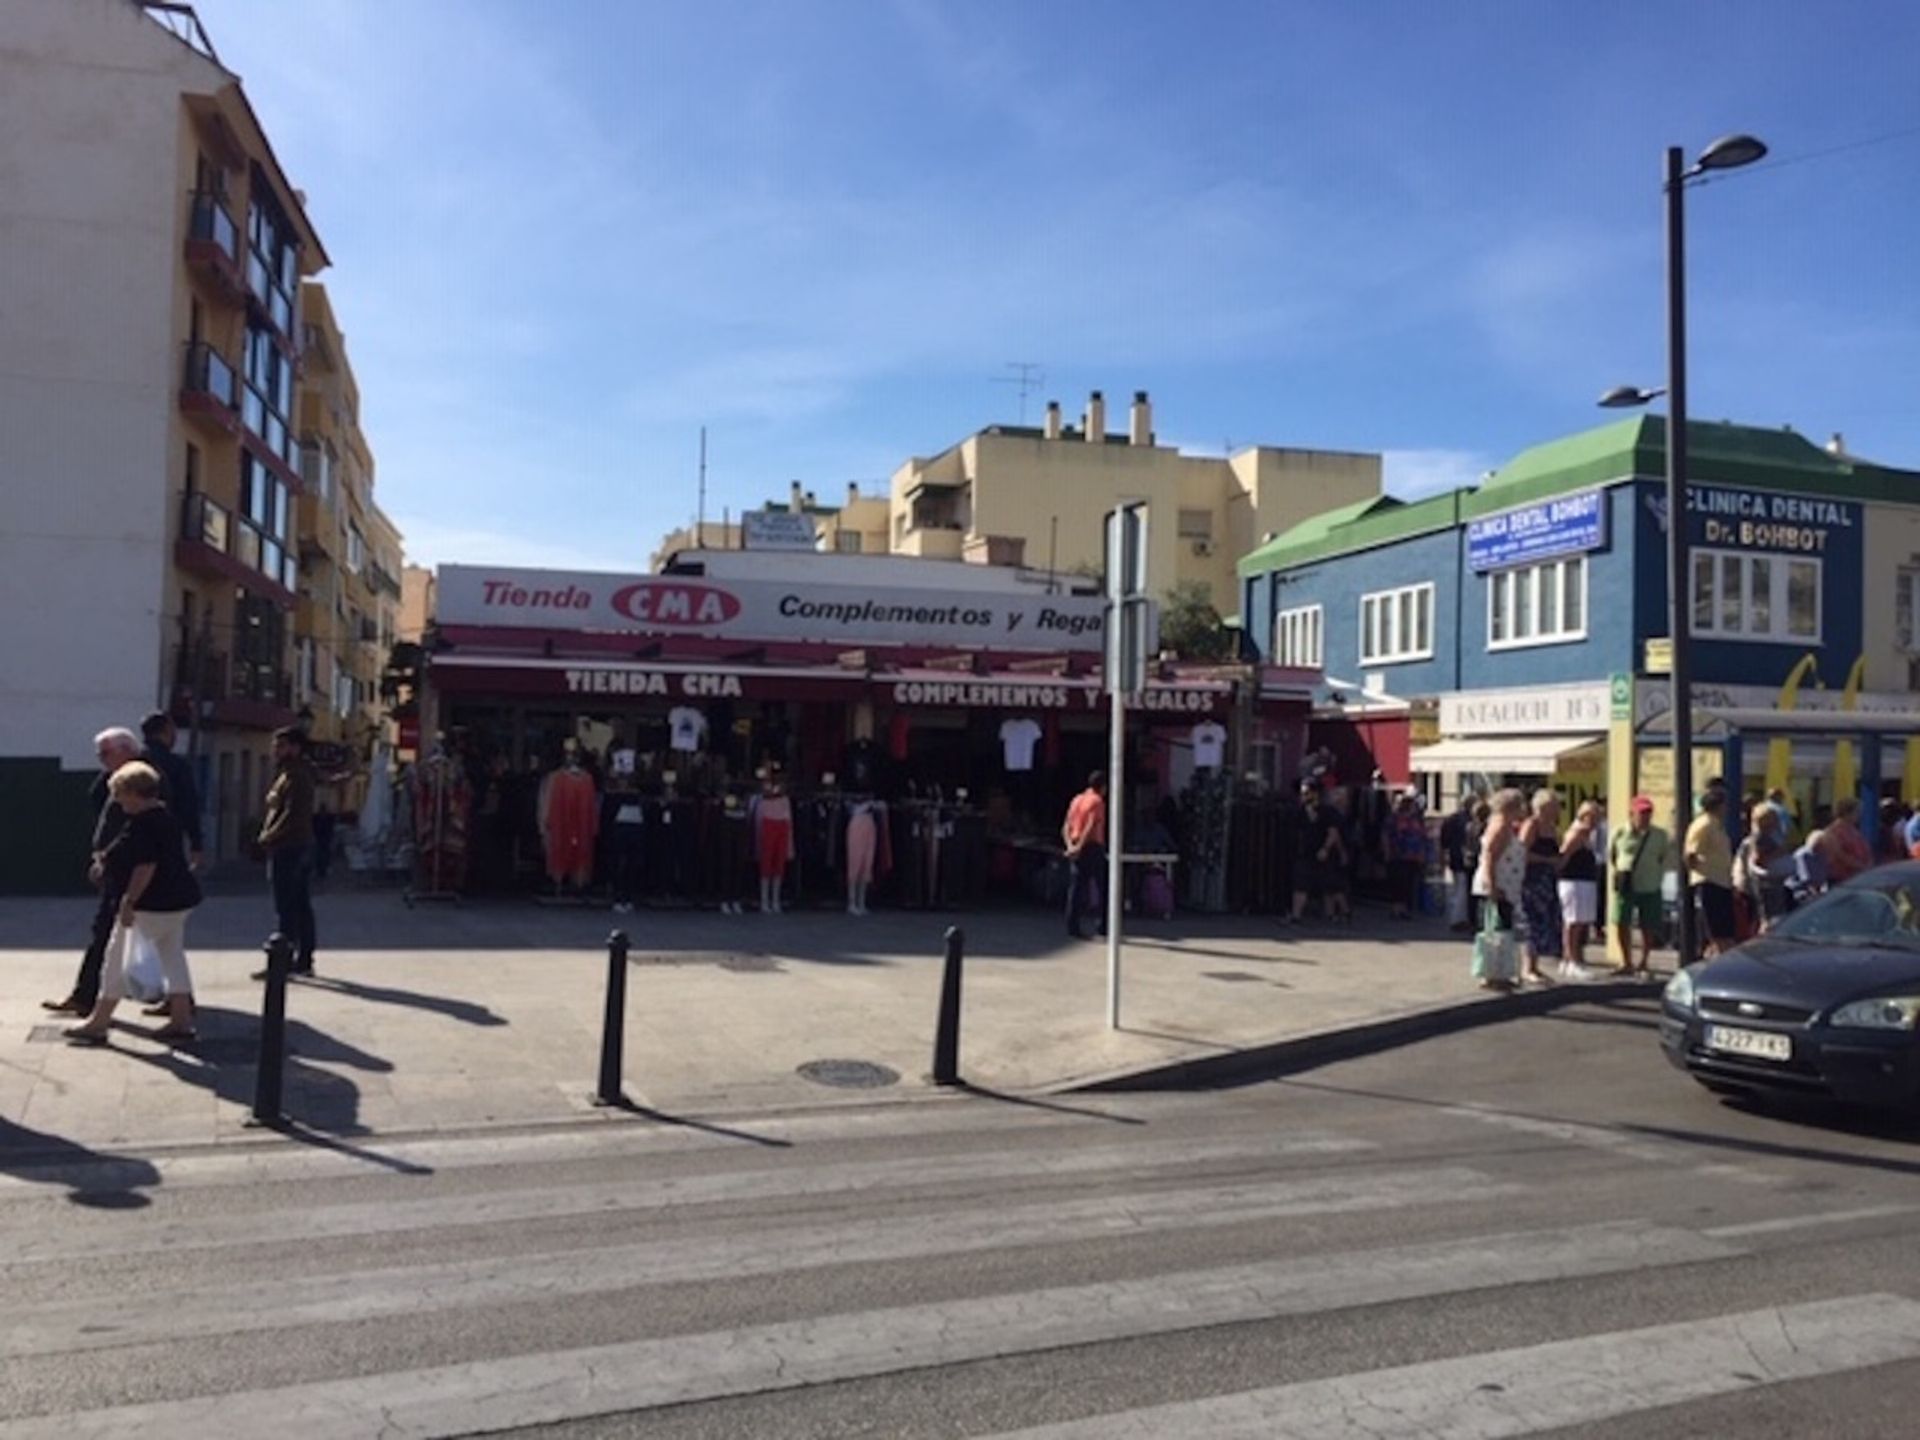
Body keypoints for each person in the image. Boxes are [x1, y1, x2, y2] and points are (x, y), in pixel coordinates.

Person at [64, 762, 202, 1045]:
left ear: (133, 792)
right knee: (172, 956)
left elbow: (145, 866)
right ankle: (181, 1019)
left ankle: (99, 1021)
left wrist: (129, 901)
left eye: (119, 794)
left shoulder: (143, 823)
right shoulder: (164, 815)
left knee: (116, 959)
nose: (117, 800)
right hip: (179, 898)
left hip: (151, 902)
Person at [42, 727, 153, 1017]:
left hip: (131, 872)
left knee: (120, 936)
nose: (101, 759)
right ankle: (87, 997)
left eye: (106, 753)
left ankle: (91, 1002)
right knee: (111, 935)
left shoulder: (143, 779)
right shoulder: (113, 778)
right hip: (117, 869)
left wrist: (108, 856)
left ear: (126, 749)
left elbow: (139, 830)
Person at [257, 726, 317, 977]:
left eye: (281, 746)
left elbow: (291, 816)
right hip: (294, 846)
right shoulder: (289, 774)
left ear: (295, 748)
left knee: (287, 906)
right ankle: (302, 958)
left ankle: (284, 959)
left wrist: (268, 837)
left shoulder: (296, 777)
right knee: (299, 904)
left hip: (290, 847)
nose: (275, 750)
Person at [1471, 789, 1527, 990]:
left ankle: (1498, 973)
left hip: (1506, 885)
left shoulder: (1502, 824)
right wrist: (1492, 885)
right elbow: (1490, 857)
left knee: (1500, 929)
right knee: (1497, 930)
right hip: (1499, 885)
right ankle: (1493, 974)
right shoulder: (1501, 826)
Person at [1608, 796, 1668, 977]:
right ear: (1632, 814)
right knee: (1621, 921)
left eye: (1648, 813)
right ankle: (1626, 961)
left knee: (1648, 924)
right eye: (1642, 813)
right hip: (1627, 885)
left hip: (1650, 884)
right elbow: (1612, 855)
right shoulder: (1619, 832)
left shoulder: (1660, 835)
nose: (1645, 817)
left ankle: (1644, 961)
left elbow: (1662, 857)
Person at [139, 711, 203, 870]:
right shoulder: (177, 765)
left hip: (134, 835)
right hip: (169, 835)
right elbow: (189, 804)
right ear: (166, 731)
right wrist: (196, 843)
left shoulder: (131, 762)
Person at [1518, 789, 1565, 985]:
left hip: (1548, 880)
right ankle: (1528, 967)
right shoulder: (1532, 825)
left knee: (1546, 920)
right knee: (1532, 922)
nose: (1556, 811)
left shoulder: (1552, 827)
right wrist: (1546, 859)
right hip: (1532, 879)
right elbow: (1521, 853)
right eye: (1553, 807)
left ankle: (1536, 966)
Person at [1685, 788, 1737, 956]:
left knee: (1726, 927)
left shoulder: (1718, 826)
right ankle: (1716, 954)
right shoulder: (1703, 825)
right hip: (1709, 881)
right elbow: (1690, 854)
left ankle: (1722, 954)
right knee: (1715, 927)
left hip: (1723, 881)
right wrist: (1699, 873)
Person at [1287, 785, 1349, 925]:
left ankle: (1335, 913)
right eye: (1303, 793)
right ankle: (1296, 915)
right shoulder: (1300, 811)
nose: (1304, 796)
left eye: (1307, 793)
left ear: (1316, 794)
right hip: (1305, 853)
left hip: (1324, 853)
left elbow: (1333, 833)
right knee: (1300, 883)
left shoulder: (1327, 811)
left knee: (1330, 885)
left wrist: (1326, 848)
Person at [1734, 802, 1792, 936]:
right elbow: (1758, 860)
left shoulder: (1773, 835)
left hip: (1776, 880)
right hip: (1767, 882)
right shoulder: (1760, 838)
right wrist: (1779, 852)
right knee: (1769, 917)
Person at [1062, 770, 1108, 940]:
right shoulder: (1097, 801)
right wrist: (1080, 847)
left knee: (1076, 888)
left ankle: (1072, 925)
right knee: (1103, 886)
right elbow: (1091, 826)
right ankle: (1103, 925)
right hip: (1092, 846)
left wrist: (1071, 846)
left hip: (1075, 844)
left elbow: (1066, 825)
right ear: (1103, 787)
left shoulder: (1077, 800)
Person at [1558, 800, 1602, 976]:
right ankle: (1571, 959)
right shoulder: (1576, 834)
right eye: (1592, 817)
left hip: (1584, 882)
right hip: (1574, 882)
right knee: (1572, 922)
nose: (1595, 821)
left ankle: (1571, 958)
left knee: (1581, 922)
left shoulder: (1588, 835)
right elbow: (1564, 856)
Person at [1384, 794, 1429, 921]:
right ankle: (1396, 908)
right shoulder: (1393, 818)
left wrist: (1422, 853)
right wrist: (1387, 852)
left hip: (1412, 856)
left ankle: (1404, 909)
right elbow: (1386, 835)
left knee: (1409, 883)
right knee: (1397, 882)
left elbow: (1422, 836)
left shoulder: (1416, 818)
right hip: (1397, 854)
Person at [1439, 795, 1477, 933]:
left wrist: (1443, 856)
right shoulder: (1468, 821)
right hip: (1463, 858)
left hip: (1455, 857)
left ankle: (1458, 918)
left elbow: (1443, 841)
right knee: (1462, 890)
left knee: (1458, 889)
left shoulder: (1451, 819)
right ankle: (1458, 920)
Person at [1822, 796, 1876, 886]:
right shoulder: (1832, 832)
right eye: (1857, 812)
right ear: (1847, 812)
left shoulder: (1854, 830)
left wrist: (1869, 864)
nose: (1860, 815)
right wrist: (1860, 866)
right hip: (1841, 879)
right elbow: (1839, 855)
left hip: (1858, 877)